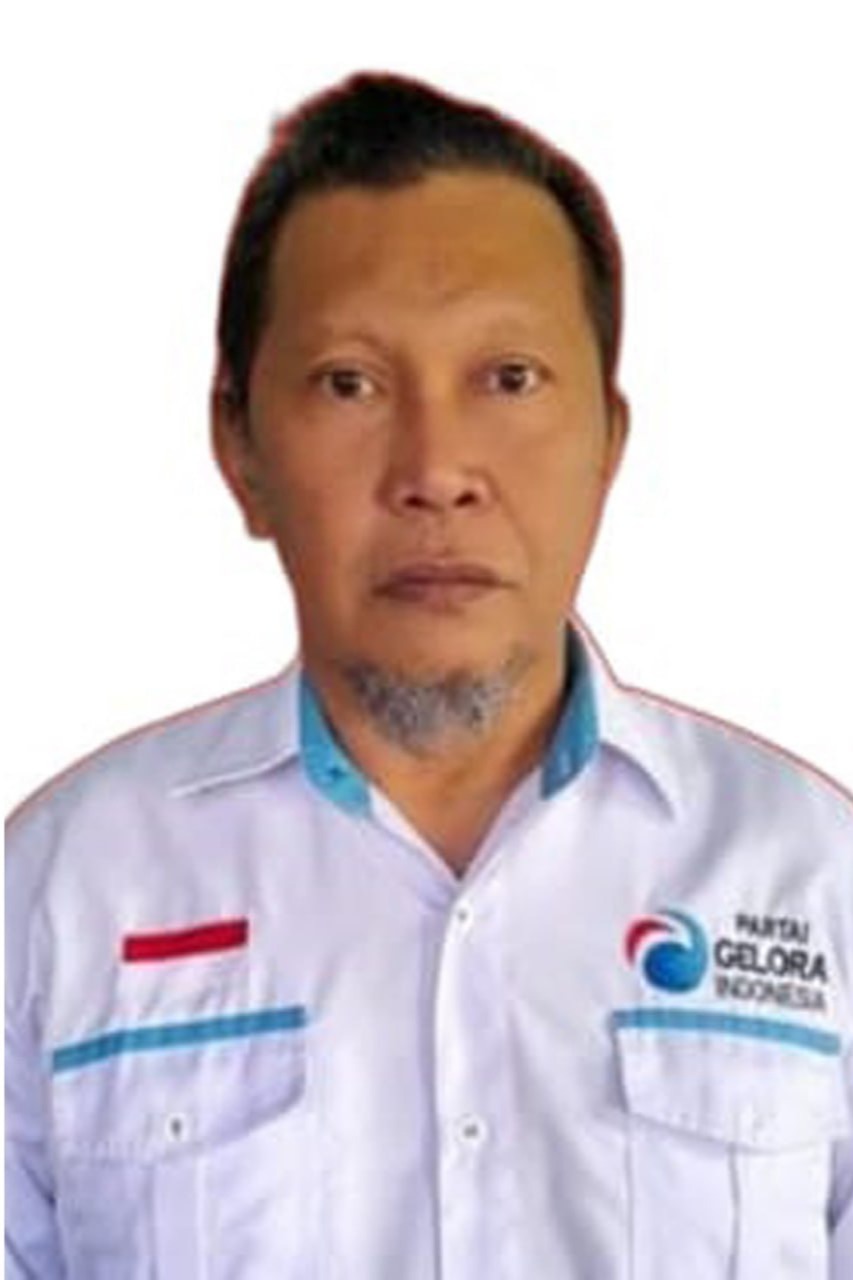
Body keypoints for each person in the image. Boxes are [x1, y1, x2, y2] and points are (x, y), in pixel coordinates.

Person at [5, 69, 852, 1280]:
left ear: (608, 442)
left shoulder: (811, 872)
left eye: (509, 378)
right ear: (239, 447)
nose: (436, 469)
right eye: (349, 382)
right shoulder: (61, 889)